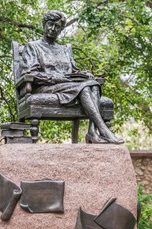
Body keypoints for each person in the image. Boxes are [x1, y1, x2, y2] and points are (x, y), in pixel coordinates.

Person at [21, 10, 123, 144]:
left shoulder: (65, 49)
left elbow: (73, 71)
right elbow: (30, 74)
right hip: (47, 87)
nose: (53, 29)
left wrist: (84, 74)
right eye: (50, 24)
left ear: (61, 29)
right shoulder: (33, 47)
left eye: (57, 27)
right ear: (44, 24)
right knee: (86, 87)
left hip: (69, 86)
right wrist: (54, 78)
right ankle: (103, 130)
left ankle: (92, 132)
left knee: (93, 84)